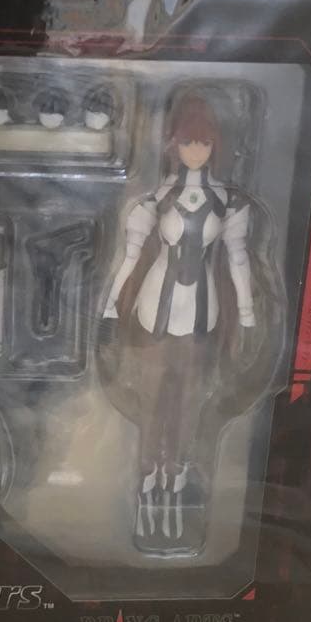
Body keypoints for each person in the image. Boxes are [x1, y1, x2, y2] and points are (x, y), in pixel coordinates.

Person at [100, 93, 276, 553]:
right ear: (172, 144)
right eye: (187, 141)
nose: (195, 150)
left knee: (188, 408)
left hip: (202, 315)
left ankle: (176, 497)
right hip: (154, 313)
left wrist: (247, 315)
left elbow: (238, 261)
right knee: (153, 404)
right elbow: (130, 258)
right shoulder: (154, 200)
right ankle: (146, 493)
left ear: (214, 145)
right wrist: (111, 306)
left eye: (203, 142)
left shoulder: (228, 203)